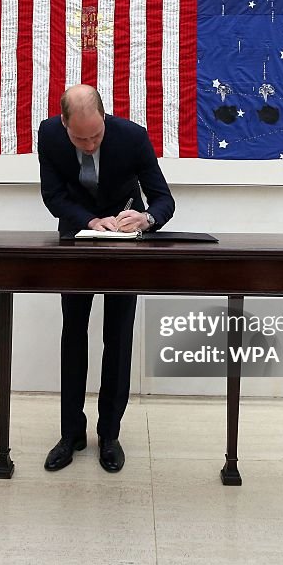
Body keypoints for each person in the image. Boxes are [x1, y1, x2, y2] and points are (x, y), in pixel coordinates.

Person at [37, 84, 175, 472]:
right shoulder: (49, 135)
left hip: (124, 246)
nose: (89, 144)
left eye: (96, 136)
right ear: (64, 124)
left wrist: (146, 219)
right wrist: (88, 220)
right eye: (80, 138)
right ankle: (71, 433)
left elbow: (164, 199)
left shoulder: (132, 136)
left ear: (105, 117)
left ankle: (109, 434)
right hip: (78, 240)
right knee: (73, 334)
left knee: (117, 338)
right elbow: (53, 196)